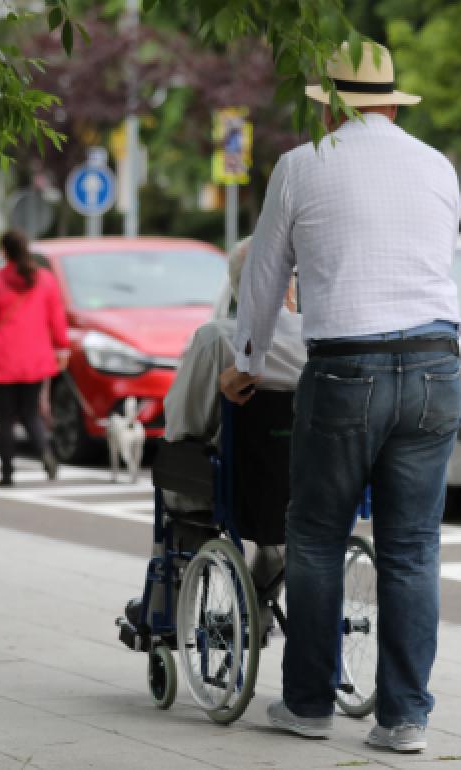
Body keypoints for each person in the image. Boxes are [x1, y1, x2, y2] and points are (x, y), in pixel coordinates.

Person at [220, 40, 461, 753]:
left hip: (345, 370)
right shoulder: (437, 167)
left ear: (329, 107)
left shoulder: (301, 167)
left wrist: (245, 364)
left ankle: (307, 705)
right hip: (435, 365)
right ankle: (404, 719)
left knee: (318, 535)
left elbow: (264, 277)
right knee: (414, 548)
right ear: (391, 102)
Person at [153, 238, 305, 625]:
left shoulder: (219, 338)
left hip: (238, 484)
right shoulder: (319, 341)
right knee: (280, 524)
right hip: (310, 481)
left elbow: (184, 422)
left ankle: (165, 613)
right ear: (290, 286)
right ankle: (261, 598)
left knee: (179, 495)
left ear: (239, 286)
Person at [0, 231, 69, 487]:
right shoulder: (46, 281)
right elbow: (57, 319)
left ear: (4, 252)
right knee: (31, 413)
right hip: (35, 357)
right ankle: (45, 452)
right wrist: (62, 349)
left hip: (2, 359)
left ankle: (7, 473)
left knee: (6, 418)